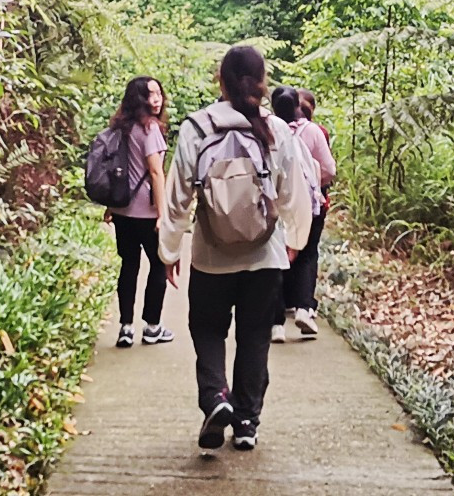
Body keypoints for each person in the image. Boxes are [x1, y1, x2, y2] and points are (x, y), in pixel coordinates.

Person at [160, 45, 312, 453]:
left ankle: (216, 398)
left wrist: (168, 251)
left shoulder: (197, 127)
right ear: (262, 82)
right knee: (255, 337)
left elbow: (176, 199)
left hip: (211, 257)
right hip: (265, 256)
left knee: (208, 329)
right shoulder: (276, 129)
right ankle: (246, 422)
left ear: (221, 80)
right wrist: (295, 241)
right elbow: (293, 193)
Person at [106, 76, 175, 348]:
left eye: (158, 93)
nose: (156, 99)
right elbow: (156, 173)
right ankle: (152, 326)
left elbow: (117, 169)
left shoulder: (120, 128)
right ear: (139, 99)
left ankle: (126, 328)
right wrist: (162, 213)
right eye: (150, 95)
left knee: (129, 265)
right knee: (158, 265)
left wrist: (111, 205)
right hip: (147, 212)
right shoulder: (150, 129)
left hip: (122, 211)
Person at [270, 87, 336, 342]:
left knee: (276, 257)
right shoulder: (313, 131)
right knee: (307, 254)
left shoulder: (267, 129)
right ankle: (304, 309)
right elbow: (329, 169)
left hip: (275, 204)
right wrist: (314, 183)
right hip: (308, 204)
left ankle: (276, 324)